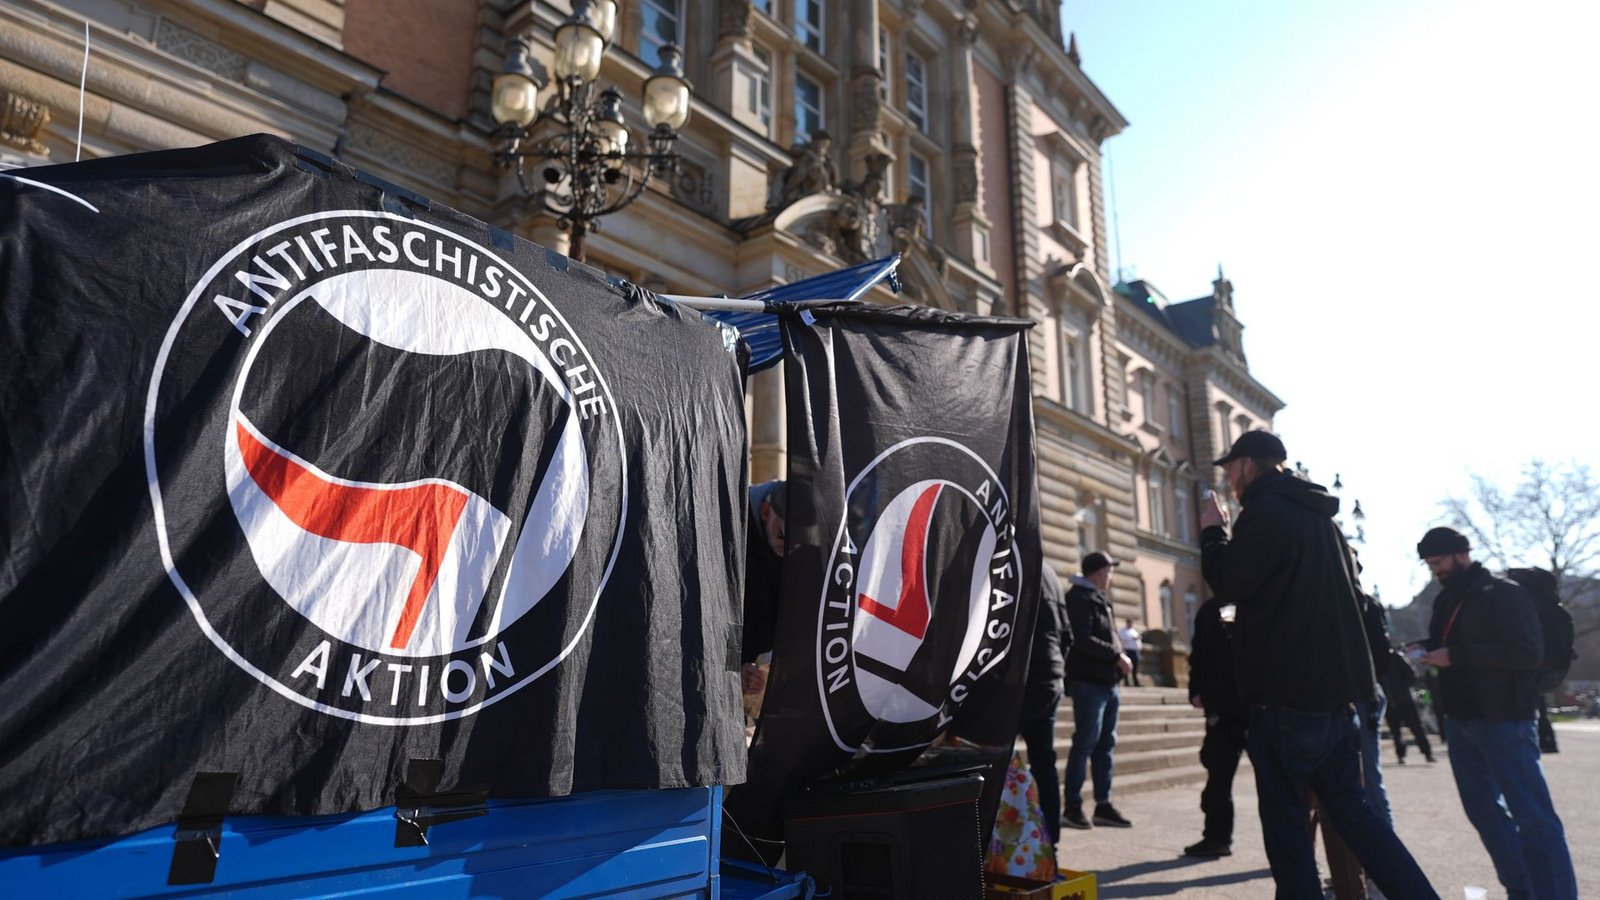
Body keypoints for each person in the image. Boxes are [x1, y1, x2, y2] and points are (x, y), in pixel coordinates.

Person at [1199, 430, 1435, 899]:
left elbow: (1229, 581)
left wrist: (1212, 533)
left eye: (1230, 468)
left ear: (1247, 465)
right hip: (1337, 696)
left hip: (1286, 696)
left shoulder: (1264, 512)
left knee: (1287, 828)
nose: (1228, 478)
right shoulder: (1321, 519)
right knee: (1358, 818)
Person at [1413, 527, 1578, 900]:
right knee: (1483, 814)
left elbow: (1526, 652)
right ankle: (1522, 888)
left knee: (1533, 816)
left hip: (1506, 718)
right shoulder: (1446, 599)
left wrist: (1455, 656)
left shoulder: (1505, 594)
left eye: (1437, 562)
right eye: (1429, 564)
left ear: (1460, 554)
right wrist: (1424, 649)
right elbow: (1447, 645)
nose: (1434, 570)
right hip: (1461, 719)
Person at [1060, 551, 1134, 830]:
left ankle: (1103, 805)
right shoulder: (1079, 598)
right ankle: (1073, 807)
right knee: (1085, 744)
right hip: (1089, 683)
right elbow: (1082, 639)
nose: (1111, 576)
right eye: (1108, 571)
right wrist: (1116, 656)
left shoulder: (1100, 599)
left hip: (1107, 682)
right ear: (1099, 572)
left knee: (1105, 746)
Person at [1184, 595, 1247, 858]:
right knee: (1218, 774)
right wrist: (1196, 688)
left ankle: (1217, 835)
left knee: (1221, 776)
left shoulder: (1249, 601)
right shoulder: (1212, 609)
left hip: (1244, 704)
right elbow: (1199, 654)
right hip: (1230, 705)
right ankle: (1217, 836)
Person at [1017, 563, 1072, 848]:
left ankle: (995, 840)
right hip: (1050, 676)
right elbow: (1067, 633)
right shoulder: (1050, 571)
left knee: (992, 759)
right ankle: (1051, 840)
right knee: (1044, 761)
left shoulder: (1010, 555)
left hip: (1021, 678)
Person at [740, 480, 787, 729]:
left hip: (767, 670)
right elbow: (722, 609)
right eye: (782, 533)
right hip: (734, 655)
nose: (787, 543)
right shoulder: (734, 526)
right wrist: (732, 668)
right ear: (767, 512)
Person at [1381, 650, 1435, 764]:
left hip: (1405, 699)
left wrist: (1402, 688)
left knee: (1416, 727)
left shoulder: (1397, 657)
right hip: (1389, 702)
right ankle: (1401, 755)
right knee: (1395, 731)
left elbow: (1411, 674)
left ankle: (1428, 752)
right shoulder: (1377, 660)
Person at [1117, 619, 1142, 686]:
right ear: (1127, 623)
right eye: (1130, 623)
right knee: (1126, 666)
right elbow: (1122, 638)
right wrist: (1132, 638)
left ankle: (1135, 682)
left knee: (1135, 667)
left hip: (1135, 651)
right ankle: (1126, 682)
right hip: (1128, 650)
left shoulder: (1133, 631)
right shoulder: (1123, 631)